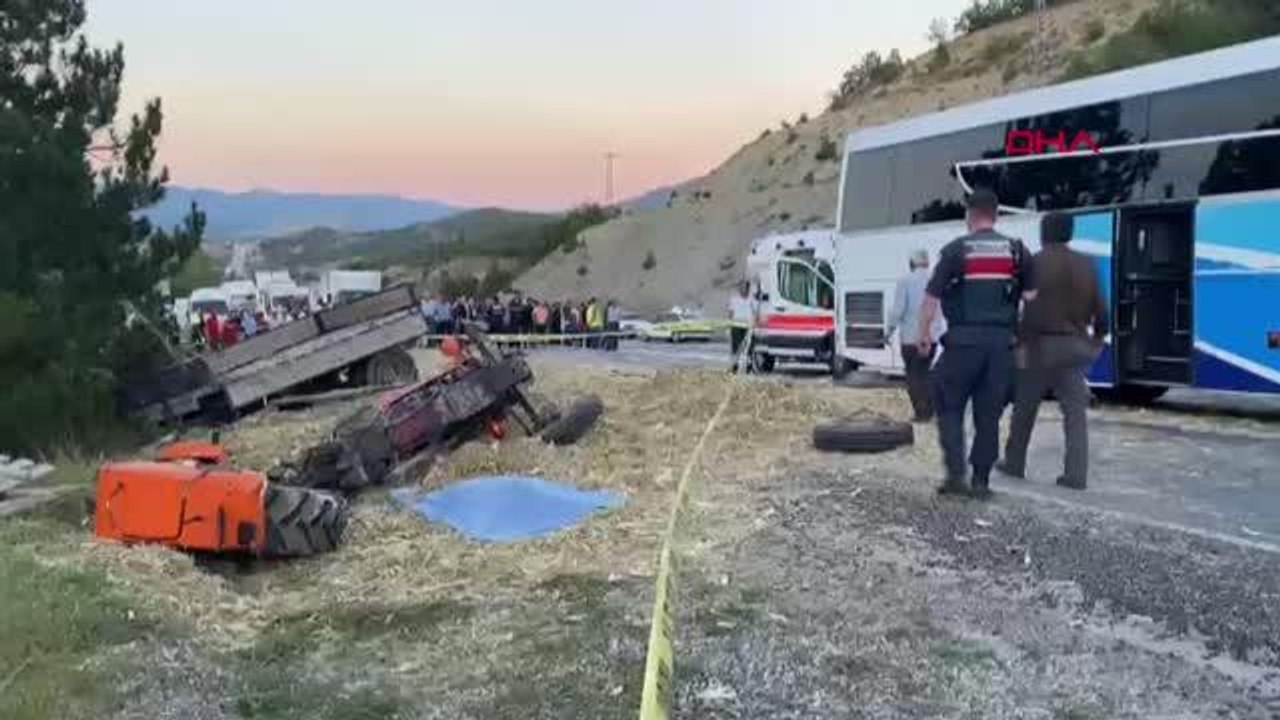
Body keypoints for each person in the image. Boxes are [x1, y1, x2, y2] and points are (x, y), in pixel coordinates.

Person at [917, 188, 1036, 500]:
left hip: (962, 344)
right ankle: (981, 481)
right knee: (989, 414)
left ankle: (957, 476)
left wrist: (923, 335)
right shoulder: (1018, 252)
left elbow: (931, 299)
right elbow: (1031, 303)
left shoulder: (956, 250)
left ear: (969, 216)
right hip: (1001, 348)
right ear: (996, 215)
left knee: (948, 403)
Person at [998, 212, 1107, 491]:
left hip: (1038, 347)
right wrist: (1094, 345)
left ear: (1044, 233)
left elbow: (1012, 306)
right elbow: (1102, 315)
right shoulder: (1087, 265)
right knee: (1075, 414)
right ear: (1069, 233)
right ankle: (1075, 474)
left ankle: (1014, 462)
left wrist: (1015, 341)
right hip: (1074, 348)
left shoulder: (1033, 264)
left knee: (1025, 408)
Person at [887, 249, 944, 422]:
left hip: (911, 339)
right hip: (931, 338)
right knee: (925, 373)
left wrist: (888, 330)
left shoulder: (905, 281)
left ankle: (922, 413)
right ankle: (930, 410)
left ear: (912, 263)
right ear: (927, 263)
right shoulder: (936, 281)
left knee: (913, 375)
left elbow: (898, 311)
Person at [728, 281, 755, 372]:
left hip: (748, 327)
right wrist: (730, 325)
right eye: (741, 287)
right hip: (736, 326)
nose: (742, 289)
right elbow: (730, 313)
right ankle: (734, 365)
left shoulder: (752, 299)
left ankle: (748, 365)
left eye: (744, 287)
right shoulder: (734, 299)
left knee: (749, 348)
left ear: (748, 288)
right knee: (736, 347)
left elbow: (755, 312)